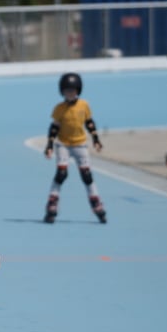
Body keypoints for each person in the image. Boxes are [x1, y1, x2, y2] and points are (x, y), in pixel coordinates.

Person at [42, 72, 107, 224]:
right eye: (67, 91)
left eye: (72, 90)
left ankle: (96, 203)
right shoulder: (59, 108)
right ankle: (52, 204)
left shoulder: (84, 105)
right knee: (61, 174)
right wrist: (49, 145)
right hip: (63, 145)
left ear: (78, 90)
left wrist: (96, 139)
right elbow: (54, 128)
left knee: (87, 175)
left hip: (80, 144)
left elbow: (89, 123)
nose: (70, 93)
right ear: (62, 91)